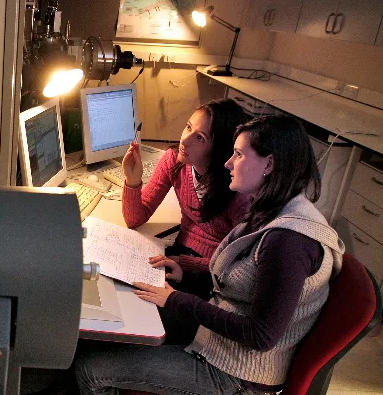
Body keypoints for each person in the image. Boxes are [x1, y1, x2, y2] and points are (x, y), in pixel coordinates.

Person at [74, 115, 345, 395]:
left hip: (237, 371)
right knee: (120, 323)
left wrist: (178, 299)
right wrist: (188, 273)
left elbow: (261, 335)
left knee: (91, 369)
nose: (228, 163)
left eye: (238, 155)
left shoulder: (289, 241)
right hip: (219, 335)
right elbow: (246, 280)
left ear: (269, 164)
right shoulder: (272, 207)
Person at [122, 99, 250, 276]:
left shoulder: (238, 189)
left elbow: (240, 260)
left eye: (200, 137)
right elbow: (134, 219)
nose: (185, 140)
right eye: (188, 127)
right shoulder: (173, 161)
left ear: (219, 148)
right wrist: (132, 180)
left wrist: (185, 263)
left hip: (214, 272)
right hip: (180, 253)